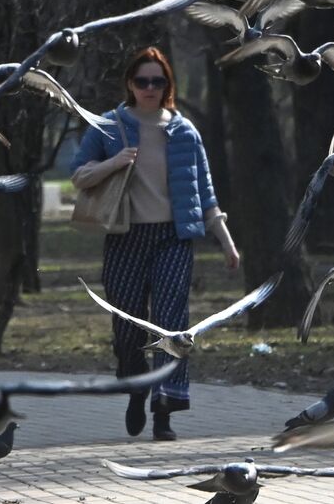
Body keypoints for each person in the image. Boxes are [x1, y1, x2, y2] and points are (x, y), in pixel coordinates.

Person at [70, 46, 240, 441]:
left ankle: (165, 411)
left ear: (167, 85)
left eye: (157, 81)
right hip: (125, 238)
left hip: (172, 238)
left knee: (171, 326)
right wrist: (114, 162)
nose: (150, 88)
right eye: (142, 81)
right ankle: (136, 385)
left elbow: (206, 194)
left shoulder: (184, 132)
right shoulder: (109, 127)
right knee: (127, 326)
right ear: (130, 84)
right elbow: (79, 175)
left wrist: (228, 244)